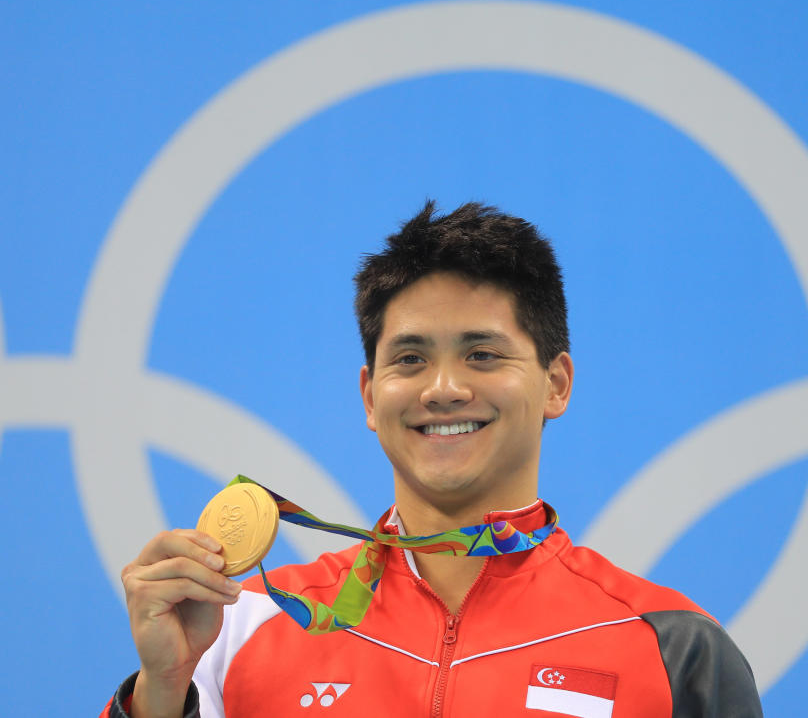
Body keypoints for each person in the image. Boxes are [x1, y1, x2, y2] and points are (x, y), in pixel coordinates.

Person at [103, 201, 763, 717]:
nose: (443, 387)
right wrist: (161, 693)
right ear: (369, 395)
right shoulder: (237, 629)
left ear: (556, 383)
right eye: (410, 358)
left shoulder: (674, 648)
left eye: (482, 353)